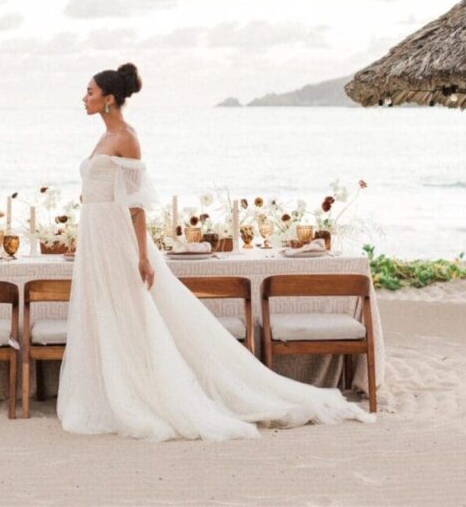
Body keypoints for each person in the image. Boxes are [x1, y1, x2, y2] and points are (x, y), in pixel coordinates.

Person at [56, 62, 372, 441]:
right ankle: (108, 389)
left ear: (109, 99)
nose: (84, 98)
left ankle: (148, 390)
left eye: (90, 92)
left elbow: (137, 206)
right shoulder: (103, 138)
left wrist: (142, 255)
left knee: (131, 310)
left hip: (116, 238)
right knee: (104, 310)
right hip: (96, 235)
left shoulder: (127, 137)